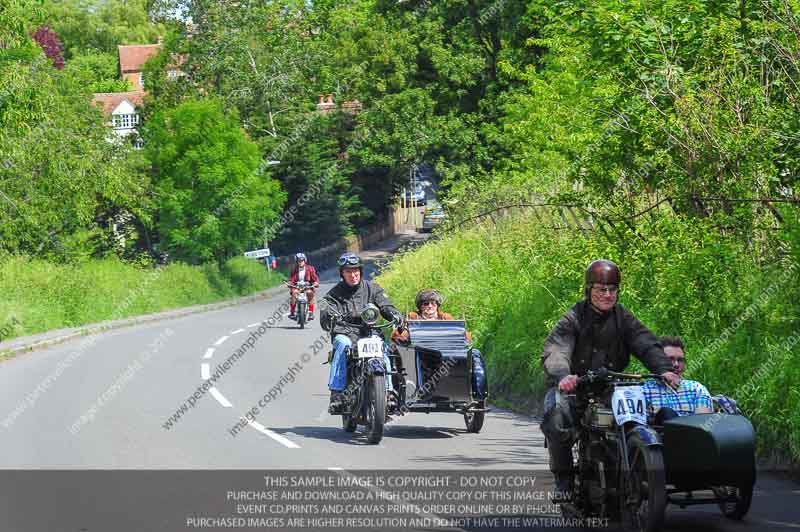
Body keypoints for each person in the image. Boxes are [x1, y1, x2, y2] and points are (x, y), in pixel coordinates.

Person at [540, 259, 680, 499]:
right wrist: (563, 376)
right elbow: (557, 349)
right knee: (556, 414)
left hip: (612, 389)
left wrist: (664, 368)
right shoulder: (573, 318)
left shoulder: (623, 318)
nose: (607, 294)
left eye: (612, 289)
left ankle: (637, 467)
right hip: (576, 389)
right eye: (601, 289)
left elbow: (645, 342)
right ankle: (563, 480)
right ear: (589, 290)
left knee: (650, 417)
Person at [320, 252, 404, 413]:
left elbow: (385, 305)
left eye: (355, 270)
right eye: (348, 271)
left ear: (360, 271)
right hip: (345, 332)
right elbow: (325, 313)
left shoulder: (373, 288)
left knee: (383, 349)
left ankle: (389, 392)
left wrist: (394, 314)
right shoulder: (333, 294)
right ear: (342, 273)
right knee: (343, 345)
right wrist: (330, 316)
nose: (353, 275)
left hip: (369, 332)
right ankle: (336, 393)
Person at [391, 289, 487, 401]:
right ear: (420, 306)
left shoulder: (446, 317)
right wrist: (405, 332)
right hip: (421, 354)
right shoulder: (413, 317)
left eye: (433, 303)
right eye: (426, 303)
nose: (430, 306)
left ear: (437, 305)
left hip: (444, 352)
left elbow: (460, 333)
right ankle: (409, 390)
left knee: (474, 353)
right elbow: (398, 336)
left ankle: (476, 392)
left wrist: (465, 337)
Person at [643, 336, 712, 422]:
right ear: (658, 360)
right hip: (658, 434)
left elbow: (702, 423)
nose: (676, 364)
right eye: (670, 359)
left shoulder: (696, 389)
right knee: (666, 413)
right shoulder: (643, 391)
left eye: (680, 360)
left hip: (691, 433)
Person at [288, 253, 319, 320]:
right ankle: (292, 312)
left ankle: (311, 313)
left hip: (307, 287)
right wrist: (290, 283)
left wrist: (316, 282)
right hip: (297, 287)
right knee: (294, 293)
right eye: (299, 261)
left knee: (310, 293)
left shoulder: (310, 268)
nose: (300, 262)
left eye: (302, 260)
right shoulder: (294, 269)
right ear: (296, 262)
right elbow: (291, 279)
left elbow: (315, 278)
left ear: (305, 260)